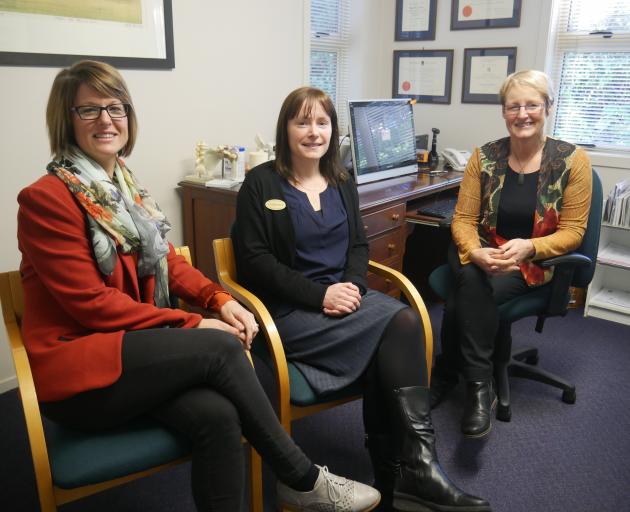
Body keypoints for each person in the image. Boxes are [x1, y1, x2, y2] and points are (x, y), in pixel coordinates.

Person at [17, 60, 382, 512]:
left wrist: (218, 298)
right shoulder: (46, 199)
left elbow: (167, 260)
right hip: (84, 372)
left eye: (116, 108)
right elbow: (93, 305)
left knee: (220, 416)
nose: (107, 120)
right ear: (65, 120)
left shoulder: (123, 187)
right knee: (221, 348)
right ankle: (302, 478)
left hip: (138, 351)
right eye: (89, 111)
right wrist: (193, 323)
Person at [234, 86, 491, 512]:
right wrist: (321, 295)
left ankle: (404, 472)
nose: (313, 131)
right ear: (286, 128)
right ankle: (412, 473)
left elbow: (357, 246)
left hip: (344, 303)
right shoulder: (260, 184)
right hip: (288, 313)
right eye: (303, 121)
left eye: (322, 122)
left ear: (333, 130)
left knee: (406, 320)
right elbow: (255, 263)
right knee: (399, 327)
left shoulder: (341, 180)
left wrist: (351, 288)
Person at [430, 70, 593, 438]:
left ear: (548, 107)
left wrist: (529, 247)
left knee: (466, 293)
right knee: (473, 274)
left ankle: (455, 374)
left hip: (531, 259)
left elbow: (573, 232)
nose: (523, 114)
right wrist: (475, 251)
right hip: (482, 247)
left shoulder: (572, 160)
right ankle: (477, 385)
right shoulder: (484, 157)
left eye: (532, 104)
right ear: (504, 112)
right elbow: (464, 220)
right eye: (513, 106)